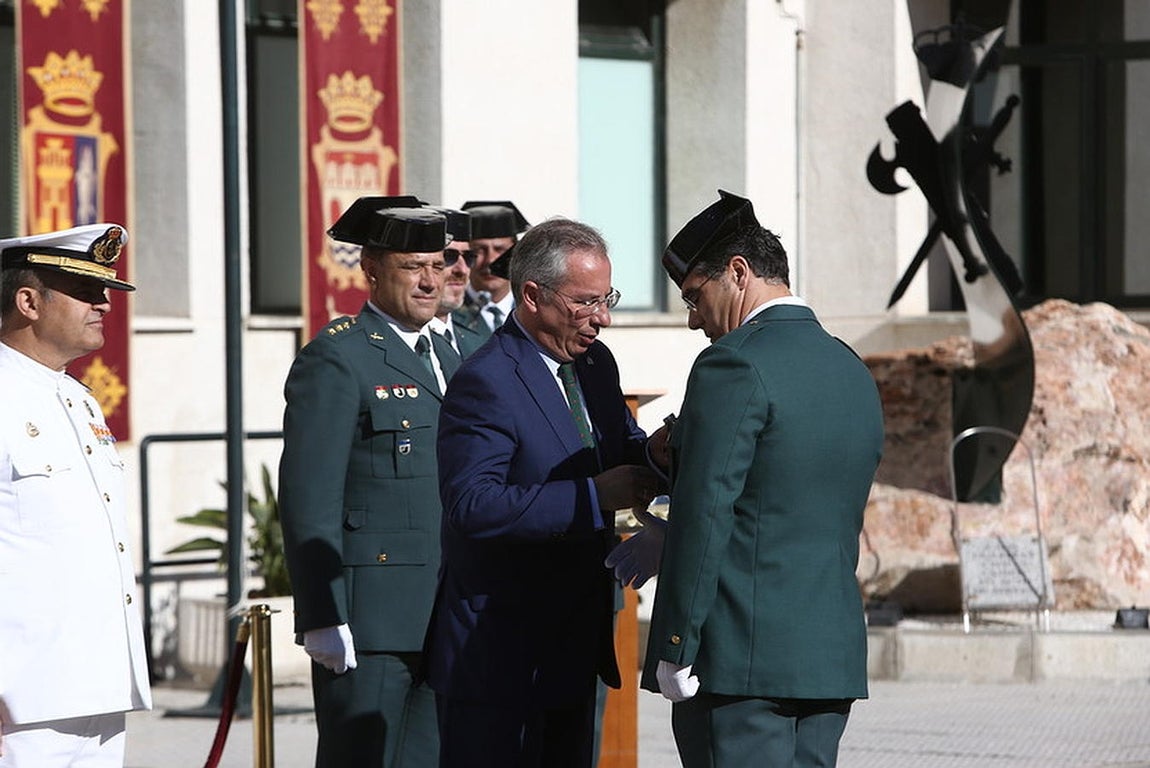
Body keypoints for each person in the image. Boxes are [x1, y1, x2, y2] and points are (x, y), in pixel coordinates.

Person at [637, 191, 885, 768]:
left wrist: (674, 643)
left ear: (739, 273)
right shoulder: (849, 366)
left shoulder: (734, 362)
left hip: (739, 660)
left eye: (695, 297)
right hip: (827, 655)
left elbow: (706, 512)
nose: (694, 319)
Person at [425, 217, 662, 768]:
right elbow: (471, 505)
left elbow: (620, 448)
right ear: (532, 296)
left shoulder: (595, 364)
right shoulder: (487, 380)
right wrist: (592, 497)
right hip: (498, 657)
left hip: (574, 646)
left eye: (608, 299)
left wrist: (660, 454)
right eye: (586, 302)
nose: (602, 318)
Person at [278, 201, 459, 768]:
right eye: (413, 266)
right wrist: (322, 613)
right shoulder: (338, 358)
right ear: (373, 271)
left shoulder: (453, 355)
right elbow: (310, 498)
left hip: (447, 609)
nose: (430, 280)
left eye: (438, 263)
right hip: (372, 620)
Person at [0, 224, 152, 767]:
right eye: (85, 292)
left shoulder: (77, 397)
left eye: (106, 291)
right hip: (21, 691)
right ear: (28, 302)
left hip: (96, 678)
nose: (105, 304)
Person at [456, 200, 529, 333]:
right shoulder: (449, 316)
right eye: (479, 250)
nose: (490, 260)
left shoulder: (533, 314)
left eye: (500, 249)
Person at [427, 207, 485, 358]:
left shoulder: (478, 344)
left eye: (468, 257)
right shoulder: (410, 341)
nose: (462, 270)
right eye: (448, 256)